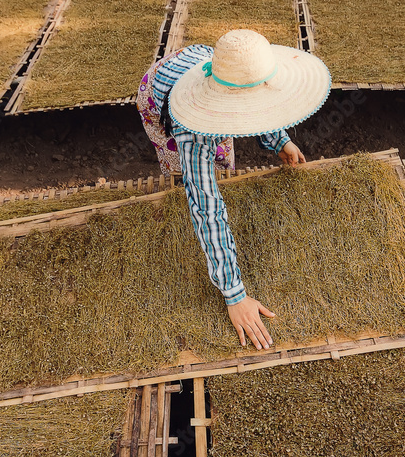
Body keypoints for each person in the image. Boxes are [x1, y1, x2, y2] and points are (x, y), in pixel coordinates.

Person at [137, 29, 331, 351]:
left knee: (221, 149)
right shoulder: (192, 131)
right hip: (158, 97)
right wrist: (235, 294)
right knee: (196, 172)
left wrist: (278, 139)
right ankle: (185, 170)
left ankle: (212, 165)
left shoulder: (240, 70)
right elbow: (207, 208)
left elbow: (258, 103)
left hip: (198, 67)